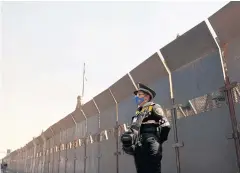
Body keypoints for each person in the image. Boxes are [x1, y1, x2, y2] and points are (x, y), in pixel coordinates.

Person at [121, 83, 171, 173]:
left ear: (147, 97)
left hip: (151, 142)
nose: (136, 97)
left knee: (153, 169)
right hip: (139, 145)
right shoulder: (138, 112)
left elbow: (166, 126)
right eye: (136, 95)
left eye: (139, 95)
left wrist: (158, 141)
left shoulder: (154, 107)